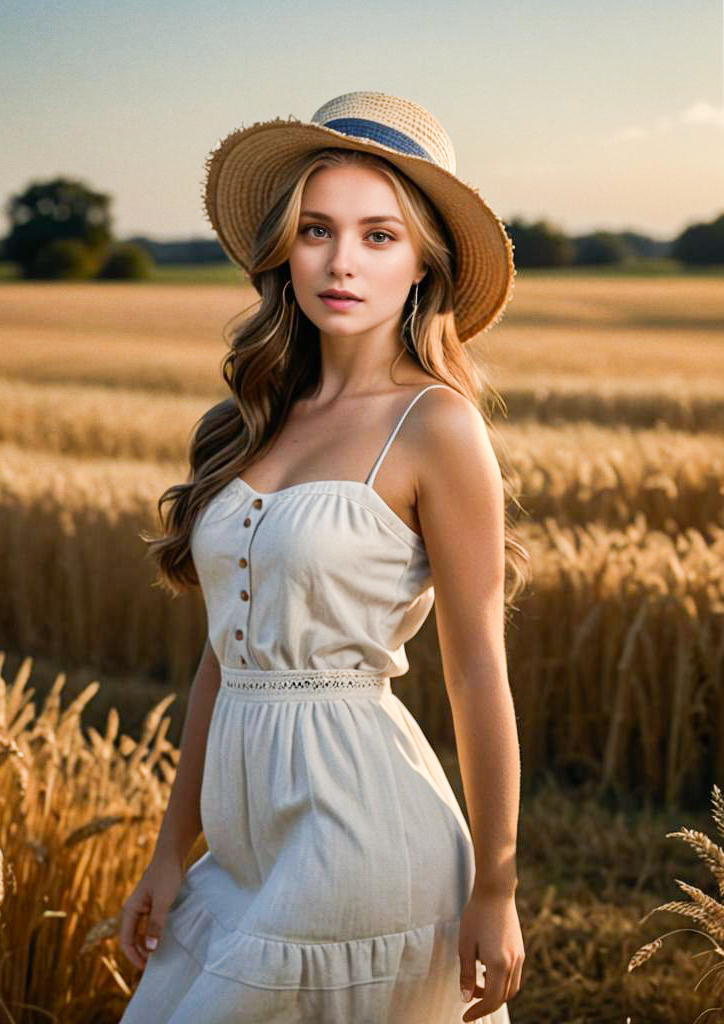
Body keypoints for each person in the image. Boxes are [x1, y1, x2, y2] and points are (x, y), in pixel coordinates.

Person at [118, 90, 528, 1023]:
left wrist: (497, 887)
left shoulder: (438, 427)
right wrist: (169, 850)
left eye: (379, 235)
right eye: (316, 230)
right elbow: (224, 659)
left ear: (424, 262)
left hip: (364, 831)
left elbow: (475, 670)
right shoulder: (248, 422)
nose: (342, 261)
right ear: (283, 252)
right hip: (243, 842)